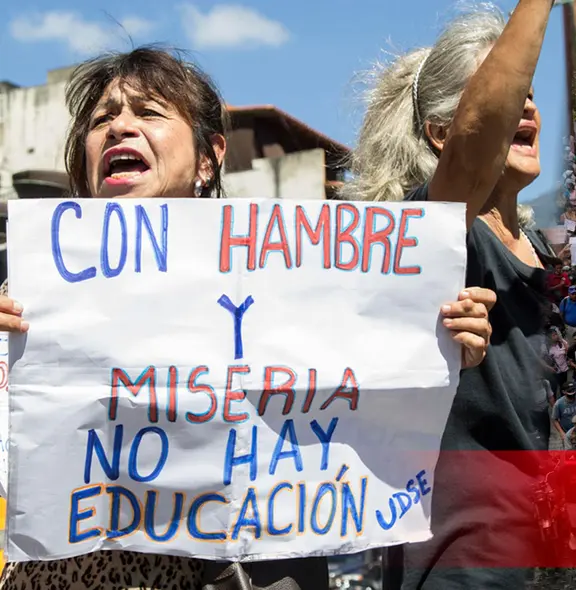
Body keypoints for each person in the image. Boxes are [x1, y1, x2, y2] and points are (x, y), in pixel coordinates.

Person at [0, 45, 494, 590]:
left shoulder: (298, 280)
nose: (119, 127)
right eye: (101, 120)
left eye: (148, 112)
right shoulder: (27, 297)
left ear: (208, 158)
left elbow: (370, 400)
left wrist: (437, 339)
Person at [343, 4, 562, 588]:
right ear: (444, 133)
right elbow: (474, 145)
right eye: (511, 92)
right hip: (462, 562)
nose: (527, 105)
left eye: (532, 93)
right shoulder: (431, 231)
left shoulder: (543, 248)